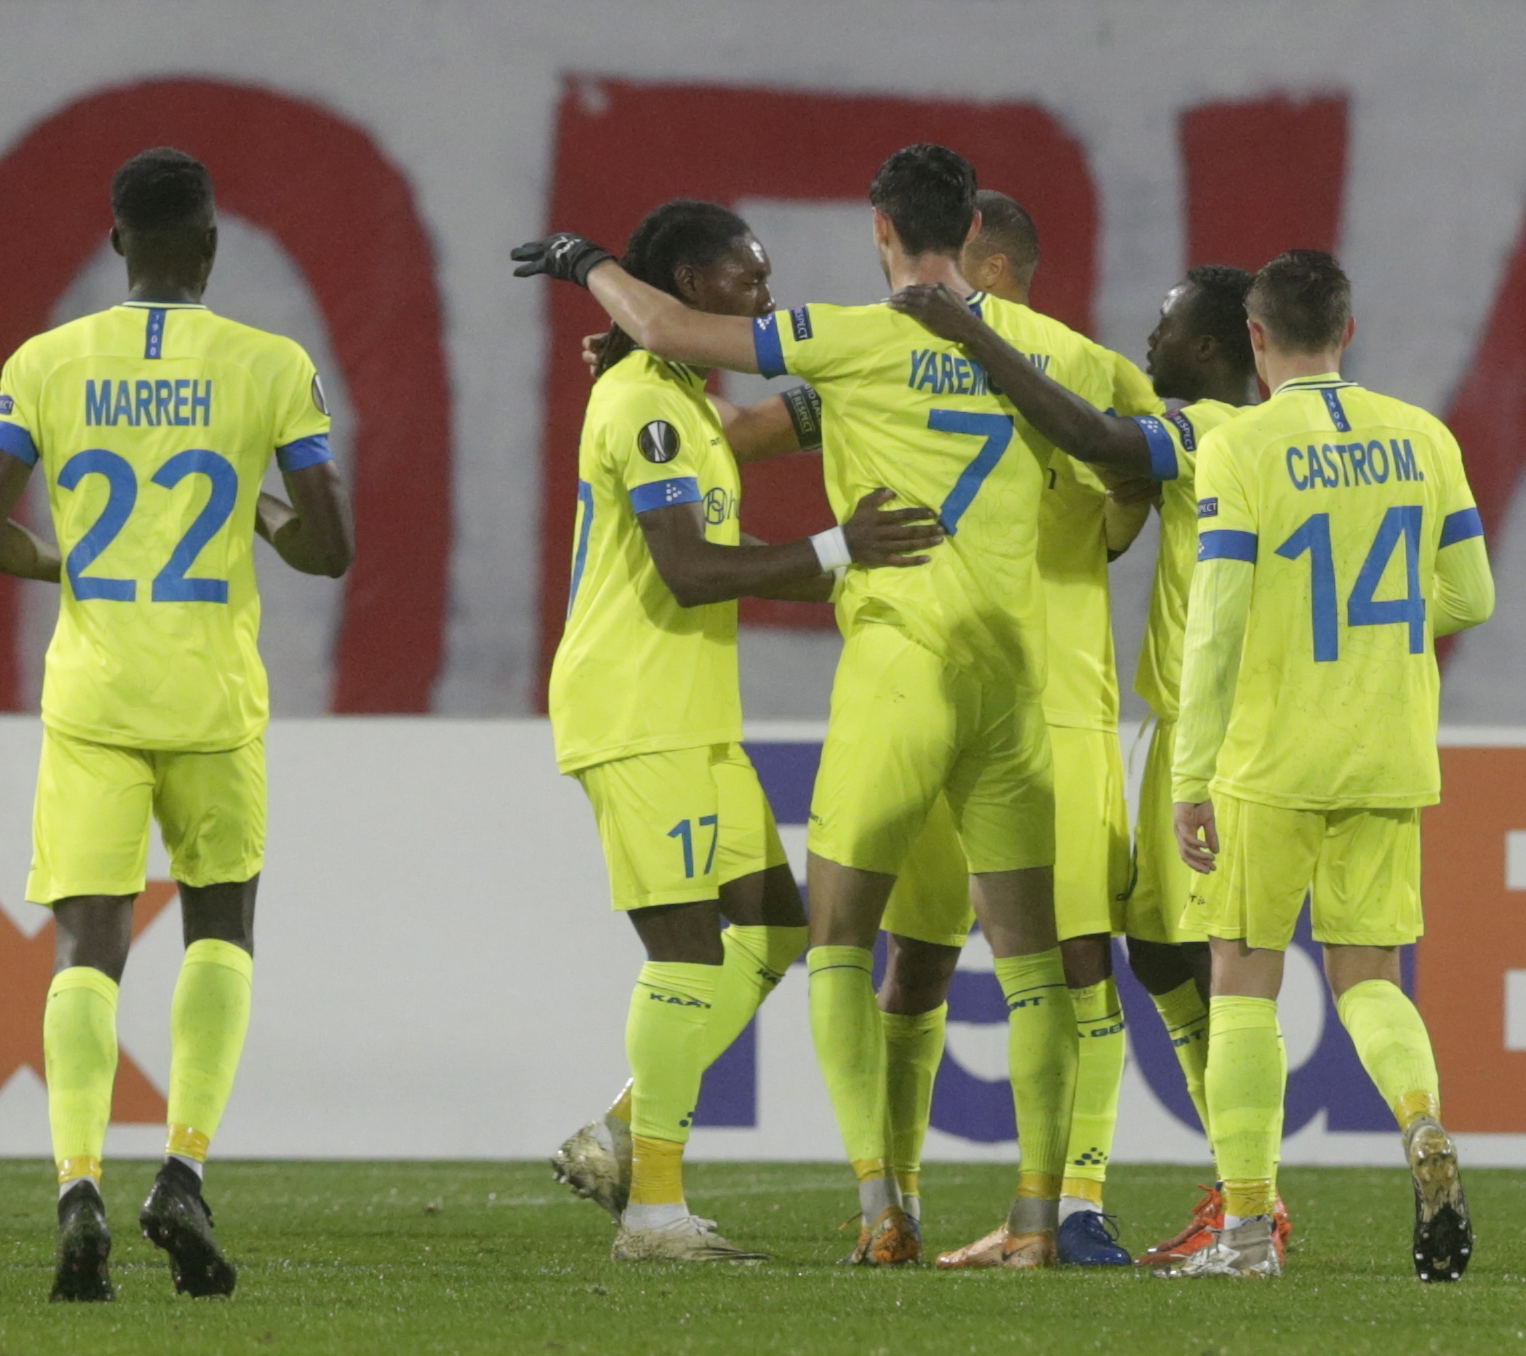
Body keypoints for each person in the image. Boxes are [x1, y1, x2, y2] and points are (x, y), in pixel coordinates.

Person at [516, 143, 1136, 1268]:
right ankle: (1044, 1216)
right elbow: (1138, 459)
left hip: (897, 674)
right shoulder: (1072, 362)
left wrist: (593, 272)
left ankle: (879, 1210)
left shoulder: (843, 340)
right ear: (986, 238)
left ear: (879, 230)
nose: (761, 285)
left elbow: (688, 357)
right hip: (1018, 689)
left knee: (840, 945)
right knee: (1035, 965)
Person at [0, 147, 353, 1303]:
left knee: (88, 945)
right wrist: (256, 508)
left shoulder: (46, 361)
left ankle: (77, 1182)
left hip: (94, 695)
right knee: (220, 924)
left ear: (117, 241)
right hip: (213, 698)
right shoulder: (270, 365)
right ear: (212, 245)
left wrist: (64, 559)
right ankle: (182, 1169)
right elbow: (331, 550)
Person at [538, 199, 945, 1262]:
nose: (763, 297)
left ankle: (624, 1130)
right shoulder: (646, 408)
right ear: (679, 287)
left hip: (688, 709)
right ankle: (653, 1212)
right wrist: (838, 552)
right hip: (637, 707)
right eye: (744, 279)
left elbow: (728, 548)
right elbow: (688, 570)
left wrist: (849, 561)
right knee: (682, 954)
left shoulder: (675, 395)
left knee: (769, 933)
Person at [889, 264, 1282, 1267]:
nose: (1145, 343)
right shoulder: (1278, 440)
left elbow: (1103, 444)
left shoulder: (1199, 430)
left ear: (1206, 347)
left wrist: (975, 341)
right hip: (1207, 728)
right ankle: (1217, 1198)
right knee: (1157, 953)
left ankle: (1167, 1206)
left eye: (1163, 325)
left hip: (1193, 734)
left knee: (1132, 962)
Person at [1169, 250, 1488, 1280]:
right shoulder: (1424, 437)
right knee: (1370, 978)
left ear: (1255, 338)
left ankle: (1248, 1231)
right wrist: (1376, 641)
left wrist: (1188, 776)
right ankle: (1421, 1121)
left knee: (1243, 983)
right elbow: (1470, 595)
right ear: (1347, 331)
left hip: (1272, 756)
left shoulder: (1243, 448)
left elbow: (1215, 628)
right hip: (1387, 751)